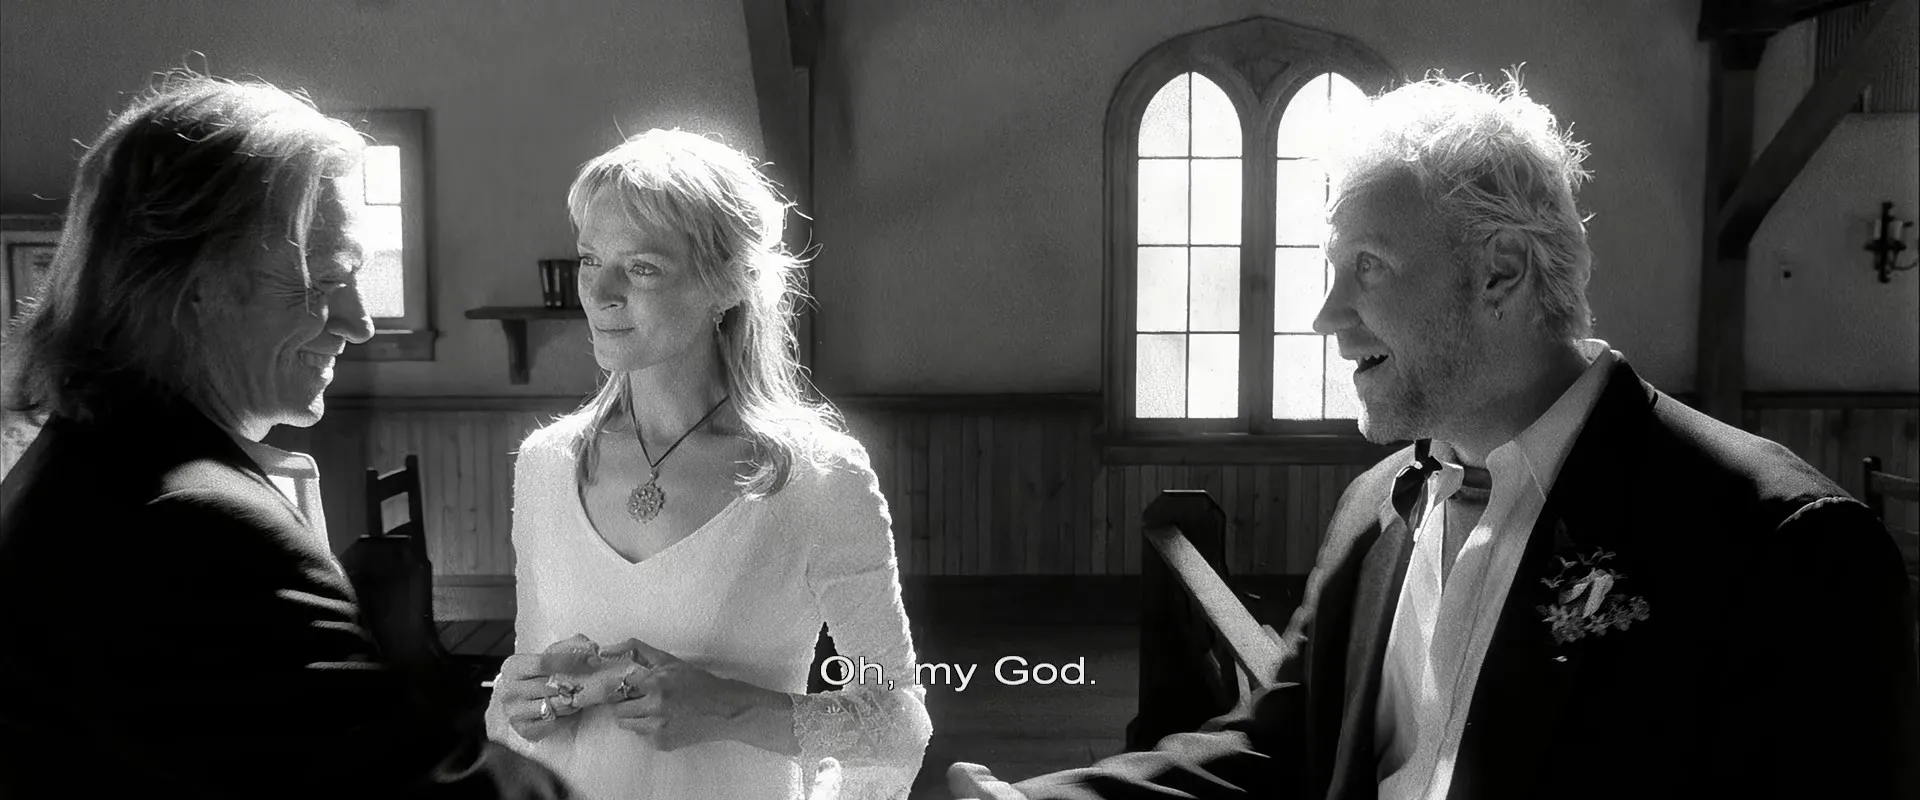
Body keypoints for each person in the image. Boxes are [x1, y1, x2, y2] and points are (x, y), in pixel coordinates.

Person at [949, 71, 1920, 800]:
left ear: (1501, 272)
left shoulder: (1782, 546)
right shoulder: (1377, 503)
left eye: (1367, 267)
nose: (1326, 318)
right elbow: (1279, 747)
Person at [0, 71, 575, 799]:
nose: (359, 323)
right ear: (195, 285)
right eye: (325, 281)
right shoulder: (198, 526)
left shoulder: (81, 459)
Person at [482, 129, 933, 799]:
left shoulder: (818, 477)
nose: (599, 292)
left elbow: (896, 724)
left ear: (727, 284)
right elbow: (517, 712)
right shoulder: (545, 466)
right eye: (589, 259)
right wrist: (521, 705)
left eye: (641, 267)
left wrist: (728, 707)